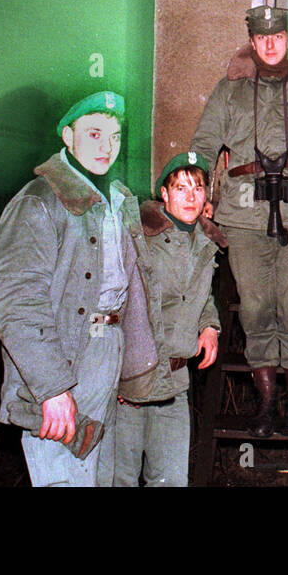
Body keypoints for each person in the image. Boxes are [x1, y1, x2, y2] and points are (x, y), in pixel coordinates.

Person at [190, 5, 288, 437]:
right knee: (255, 308)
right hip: (242, 210)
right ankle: (266, 405)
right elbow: (203, 143)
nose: (271, 44)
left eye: (278, 37)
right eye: (262, 38)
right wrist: (197, 192)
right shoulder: (229, 89)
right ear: (252, 42)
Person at [0, 91, 147, 487]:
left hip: (107, 348)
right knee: (61, 474)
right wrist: (52, 387)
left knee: (99, 477)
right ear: (67, 136)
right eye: (93, 134)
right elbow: (15, 303)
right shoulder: (38, 201)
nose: (106, 147)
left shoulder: (115, 198)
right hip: (65, 357)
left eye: (114, 136)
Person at [109, 151, 222, 486]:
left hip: (174, 383)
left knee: (172, 480)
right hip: (129, 384)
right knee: (120, 479)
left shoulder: (204, 241)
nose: (190, 196)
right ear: (164, 194)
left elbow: (199, 294)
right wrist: (114, 370)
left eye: (198, 188)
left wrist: (209, 326)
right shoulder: (139, 238)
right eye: (181, 188)